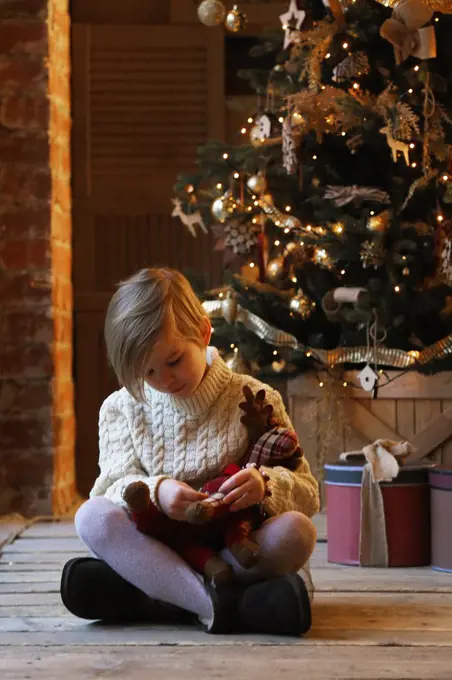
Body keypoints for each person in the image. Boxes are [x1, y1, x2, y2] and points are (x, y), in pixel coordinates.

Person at [60, 268, 320, 635]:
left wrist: (265, 484)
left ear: (203, 332)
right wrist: (156, 490)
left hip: (235, 545)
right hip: (159, 542)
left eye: (174, 361)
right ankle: (221, 604)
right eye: (147, 372)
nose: (164, 381)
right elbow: (110, 488)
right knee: (91, 517)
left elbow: (307, 491)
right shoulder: (120, 408)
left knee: (298, 532)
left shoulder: (255, 398)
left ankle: (161, 594)